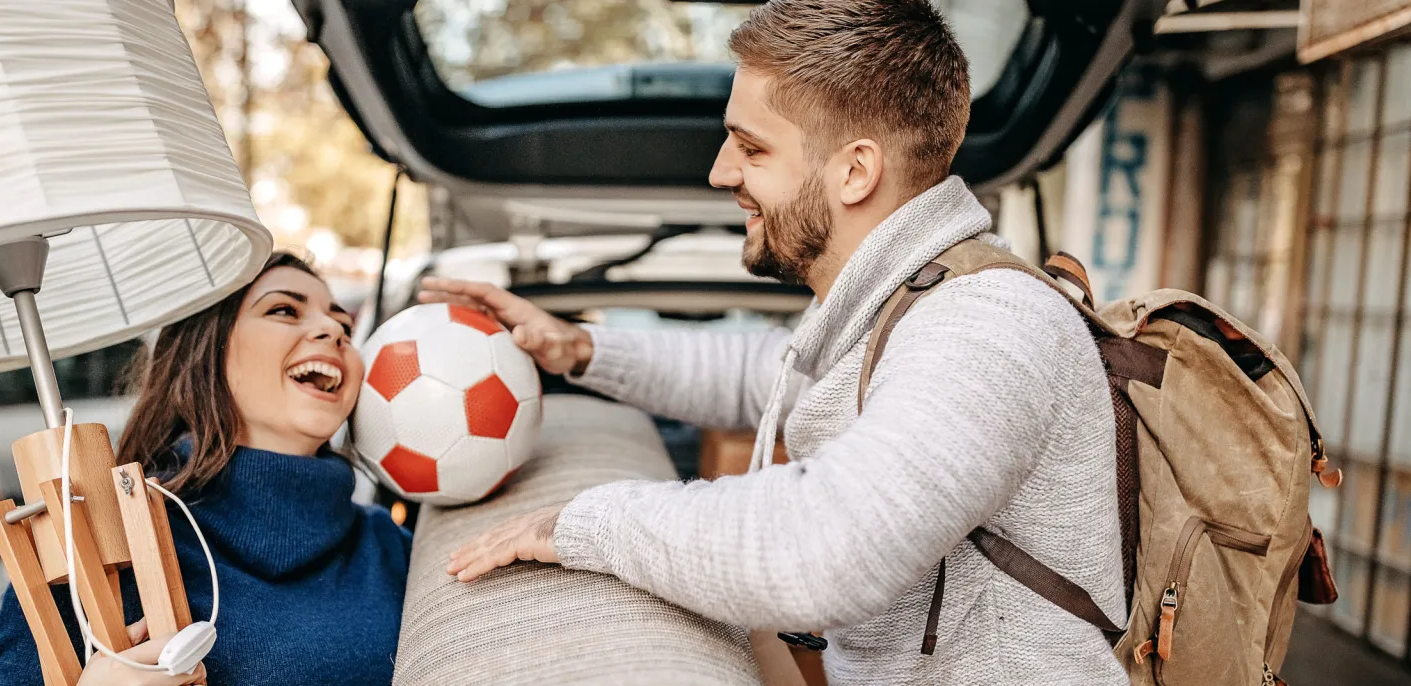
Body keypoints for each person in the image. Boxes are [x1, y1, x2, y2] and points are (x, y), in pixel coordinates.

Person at [425, 1, 1126, 683]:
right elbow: (762, 373)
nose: (721, 172)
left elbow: (826, 549)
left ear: (856, 170)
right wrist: (578, 349)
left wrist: (586, 524)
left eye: (751, 146)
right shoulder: (907, 302)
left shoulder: (988, 323)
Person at [0, 253, 411, 685]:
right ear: (207, 348)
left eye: (346, 326)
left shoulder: (389, 545)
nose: (333, 330)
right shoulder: (97, 545)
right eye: (284, 310)